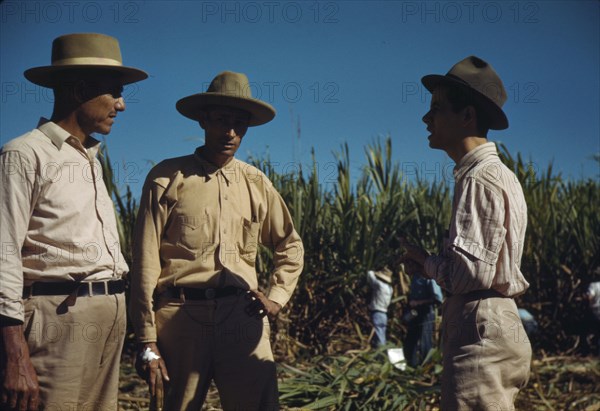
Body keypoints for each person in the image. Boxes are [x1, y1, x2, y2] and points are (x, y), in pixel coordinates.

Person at [129, 71, 304, 411]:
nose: (230, 133)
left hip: (242, 318)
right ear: (203, 120)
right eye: (222, 120)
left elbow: (290, 245)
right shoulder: (167, 177)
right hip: (179, 318)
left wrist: (277, 298)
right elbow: (145, 260)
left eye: (239, 124)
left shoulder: (257, 183)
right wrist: (147, 339)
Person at [0, 33, 147, 411]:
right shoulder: (23, 154)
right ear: (81, 88)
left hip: (108, 315)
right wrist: (15, 356)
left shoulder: (91, 160)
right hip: (57, 321)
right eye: (115, 92)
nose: (122, 105)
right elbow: (3, 255)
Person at [400, 56, 532, 410]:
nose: (426, 119)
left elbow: (467, 276)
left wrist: (426, 263)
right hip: (495, 322)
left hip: (480, 326)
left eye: (437, 109)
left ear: (467, 116)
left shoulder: (477, 178)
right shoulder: (499, 174)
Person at [402, 259, 443, 367]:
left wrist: (419, 302)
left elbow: (437, 299)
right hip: (415, 313)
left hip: (426, 312)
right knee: (411, 338)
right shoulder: (415, 277)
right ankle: (412, 364)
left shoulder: (429, 278)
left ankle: (426, 365)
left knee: (425, 338)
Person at [366, 267, 393, 347]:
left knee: (379, 334)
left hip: (377, 312)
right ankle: (382, 354)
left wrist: (373, 270)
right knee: (382, 333)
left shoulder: (379, 285)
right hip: (384, 314)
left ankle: (381, 354)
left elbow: (369, 274)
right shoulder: (390, 288)